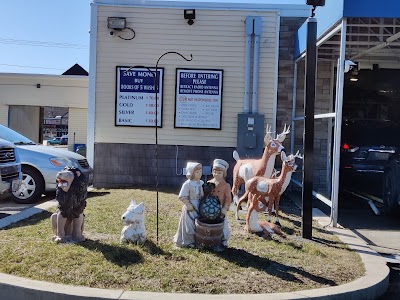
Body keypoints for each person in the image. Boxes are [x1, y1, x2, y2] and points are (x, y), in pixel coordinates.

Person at [173, 162, 204, 248]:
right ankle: (188, 241)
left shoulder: (201, 183)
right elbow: (182, 196)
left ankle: (198, 240)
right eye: (197, 172)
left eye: (200, 171)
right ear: (192, 172)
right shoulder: (187, 184)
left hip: (199, 205)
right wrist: (188, 204)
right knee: (189, 225)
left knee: (198, 224)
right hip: (190, 207)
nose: (199, 174)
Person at [207, 159, 232, 248]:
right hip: (209, 207)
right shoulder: (209, 183)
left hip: (220, 207)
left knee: (222, 224)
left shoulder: (226, 186)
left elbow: (228, 199)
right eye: (215, 172)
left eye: (219, 173)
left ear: (223, 174)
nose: (216, 174)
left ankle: (224, 239)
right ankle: (210, 238)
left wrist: (225, 208)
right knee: (210, 223)